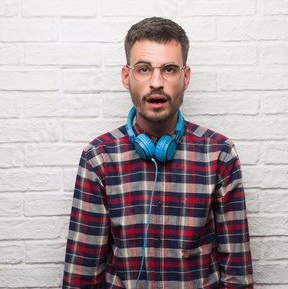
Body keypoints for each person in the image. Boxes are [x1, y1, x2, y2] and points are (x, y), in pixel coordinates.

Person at [62, 17, 253, 289]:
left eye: (169, 69)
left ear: (185, 77)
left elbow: (237, 275)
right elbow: (81, 275)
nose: (156, 82)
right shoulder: (99, 157)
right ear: (127, 78)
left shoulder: (219, 154)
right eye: (143, 69)